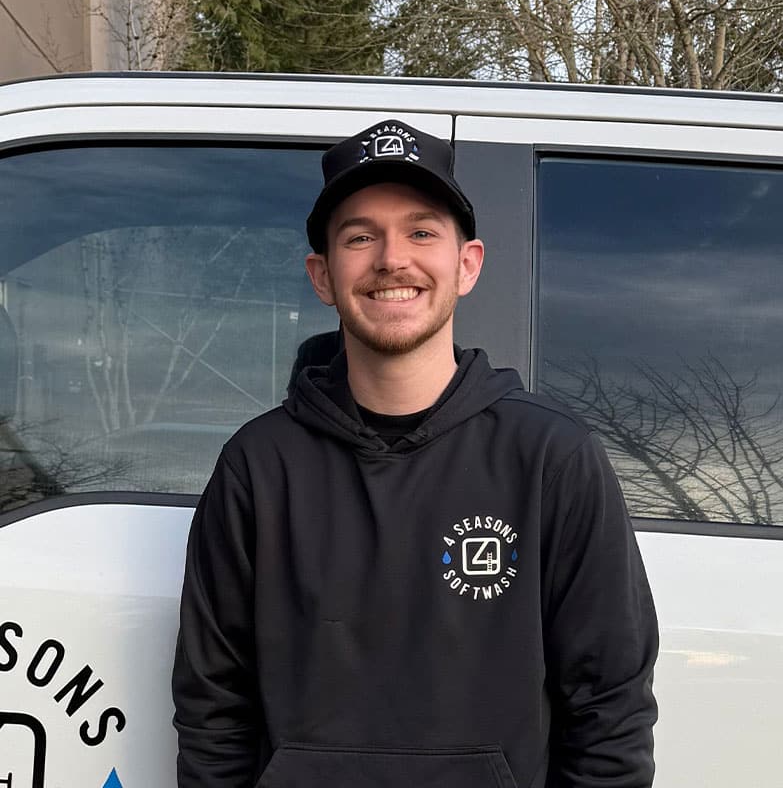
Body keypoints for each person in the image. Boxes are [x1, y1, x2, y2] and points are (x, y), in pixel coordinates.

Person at [172, 119, 658, 788]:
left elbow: (610, 712)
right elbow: (212, 712)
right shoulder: (258, 467)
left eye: (422, 232)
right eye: (359, 236)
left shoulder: (552, 457)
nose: (391, 259)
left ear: (468, 264)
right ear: (322, 274)